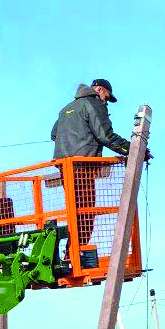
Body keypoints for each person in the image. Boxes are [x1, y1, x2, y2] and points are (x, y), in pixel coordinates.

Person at [50, 80, 130, 245]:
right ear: (100, 90)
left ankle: (71, 254)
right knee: (86, 215)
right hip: (83, 166)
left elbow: (53, 134)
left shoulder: (66, 109)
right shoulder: (94, 103)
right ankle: (76, 254)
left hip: (64, 167)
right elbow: (105, 136)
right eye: (106, 98)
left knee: (75, 213)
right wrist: (133, 149)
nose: (105, 101)